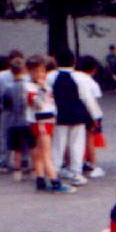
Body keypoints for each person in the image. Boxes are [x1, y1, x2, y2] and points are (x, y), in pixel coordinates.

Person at [23, 55, 75, 194]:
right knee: (46, 153)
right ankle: (54, 181)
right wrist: (41, 89)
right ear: (30, 72)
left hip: (47, 120)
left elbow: (50, 103)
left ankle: (40, 180)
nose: (40, 74)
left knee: (40, 153)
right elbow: (36, 104)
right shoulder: (30, 87)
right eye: (36, 71)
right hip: (40, 121)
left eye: (42, 71)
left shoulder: (44, 85)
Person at [48, 49, 94, 186]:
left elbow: (48, 96)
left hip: (59, 115)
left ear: (56, 61)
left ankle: (54, 172)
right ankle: (76, 173)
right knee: (77, 144)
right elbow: (87, 98)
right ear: (74, 62)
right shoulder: (81, 77)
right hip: (77, 115)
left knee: (57, 144)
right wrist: (96, 115)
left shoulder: (50, 77)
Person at [0, 58, 36, 183]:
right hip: (29, 120)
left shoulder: (8, 87)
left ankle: (17, 171)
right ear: (25, 69)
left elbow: (6, 105)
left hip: (14, 121)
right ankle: (33, 169)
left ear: (11, 71)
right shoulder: (29, 86)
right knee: (32, 146)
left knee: (17, 149)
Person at [75, 56, 105, 179]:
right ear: (94, 69)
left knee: (77, 139)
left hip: (78, 110)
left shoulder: (74, 77)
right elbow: (96, 98)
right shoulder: (91, 82)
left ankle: (80, 162)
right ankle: (93, 164)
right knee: (90, 140)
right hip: (91, 112)